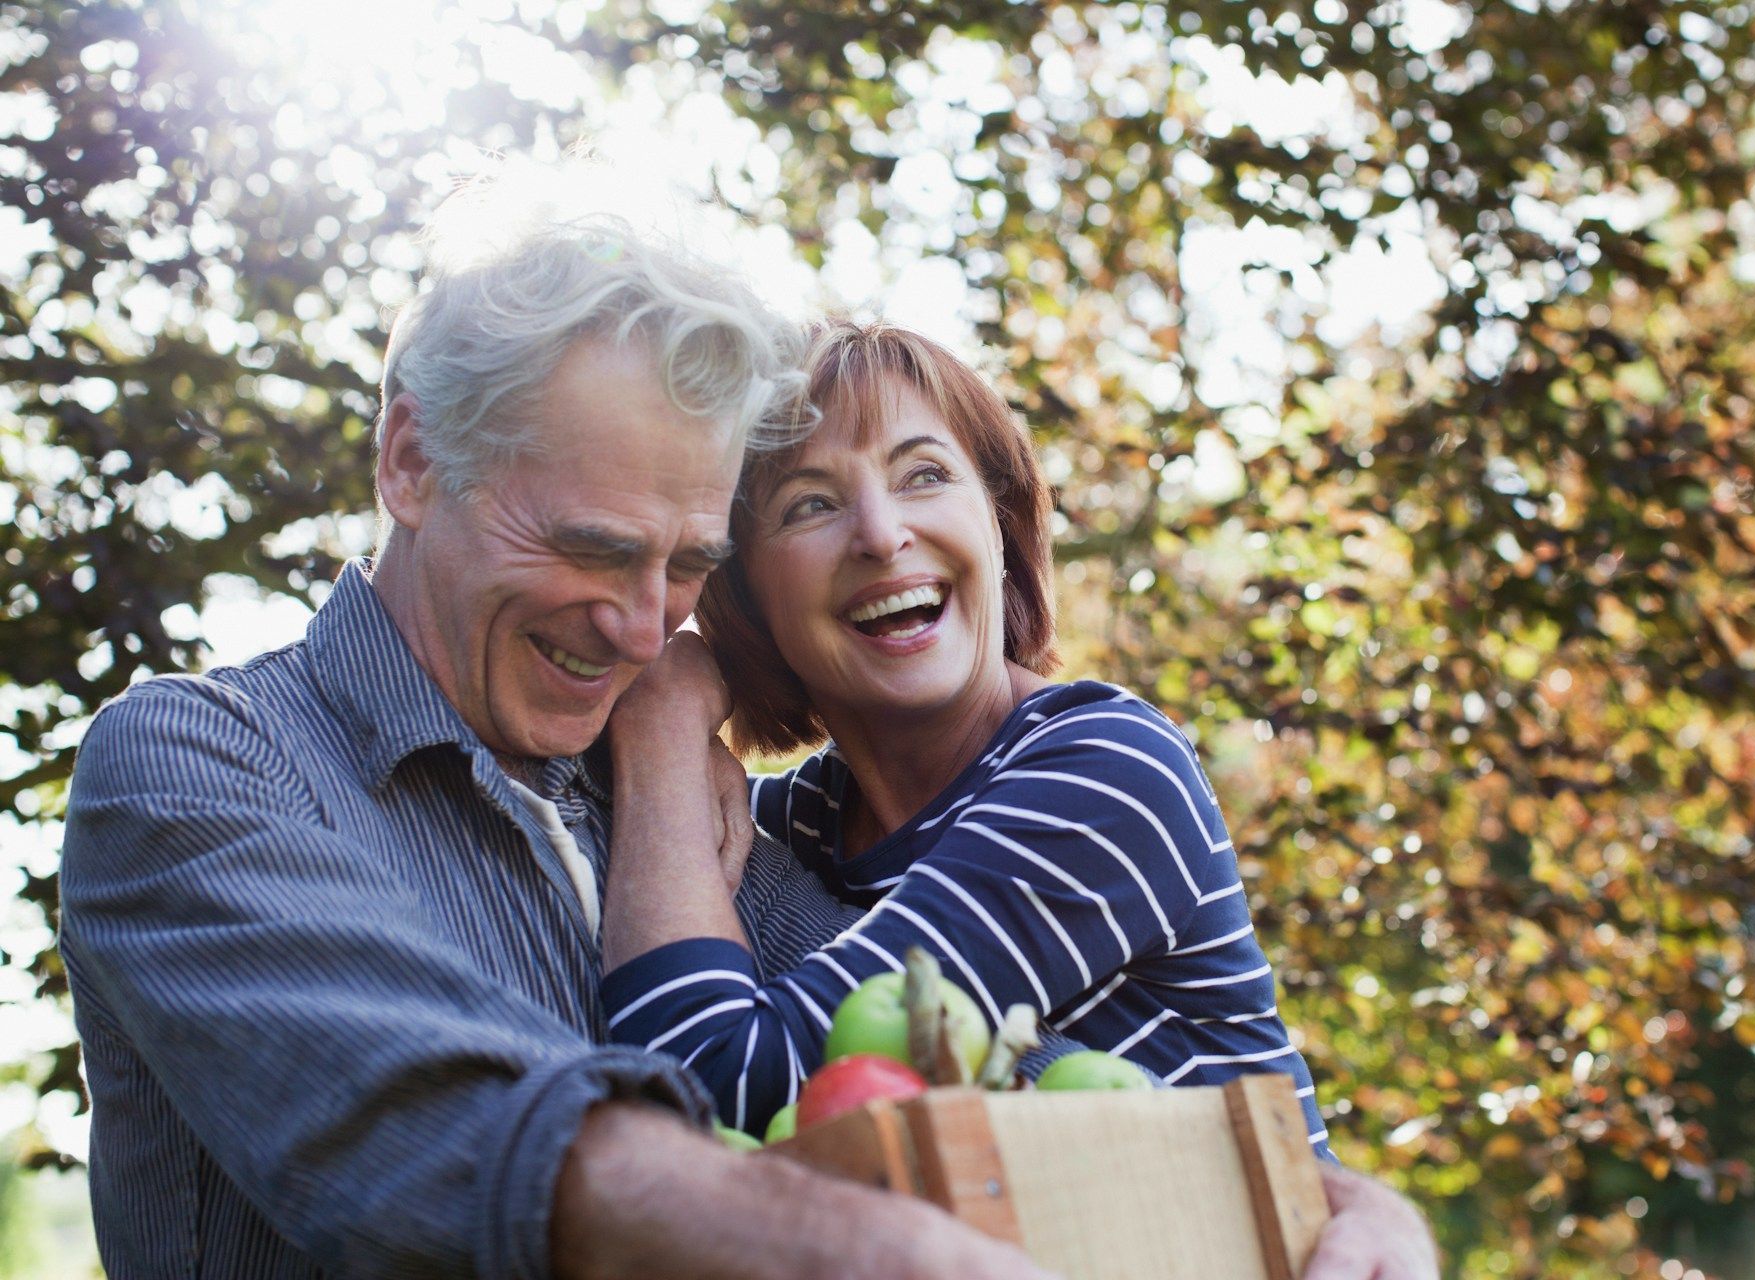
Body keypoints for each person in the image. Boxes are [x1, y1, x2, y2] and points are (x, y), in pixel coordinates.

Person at [57, 174, 1055, 1279]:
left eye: (686, 566)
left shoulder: (663, 802)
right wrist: (866, 1250)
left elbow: (964, 1053)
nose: (641, 631)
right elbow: (439, 1124)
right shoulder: (195, 768)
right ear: (412, 462)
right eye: (592, 546)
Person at [596, 321, 1439, 1278]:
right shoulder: (789, 828)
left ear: (998, 523)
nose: (880, 534)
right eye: (809, 505)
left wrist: (664, 726)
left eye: (923, 475)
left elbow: (712, 1084)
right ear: (745, 594)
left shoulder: (1106, 774)